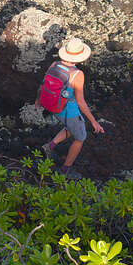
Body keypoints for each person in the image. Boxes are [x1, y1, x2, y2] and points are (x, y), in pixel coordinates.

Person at [42, 37, 105, 176]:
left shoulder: (54, 65)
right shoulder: (77, 74)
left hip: (52, 106)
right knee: (80, 137)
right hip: (67, 111)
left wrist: (37, 101)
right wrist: (94, 122)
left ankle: (50, 146)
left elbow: (43, 85)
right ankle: (65, 169)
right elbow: (81, 102)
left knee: (71, 127)